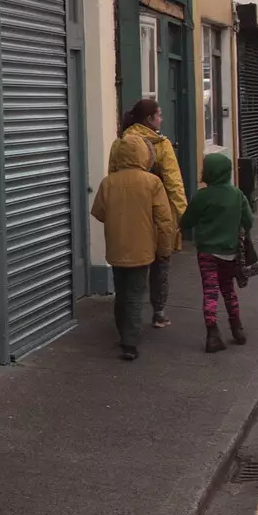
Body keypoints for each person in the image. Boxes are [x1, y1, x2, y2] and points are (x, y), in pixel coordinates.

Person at [92, 133, 178, 361]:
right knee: (135, 294)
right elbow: (164, 220)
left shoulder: (108, 182)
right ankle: (130, 342)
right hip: (143, 247)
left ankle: (123, 331)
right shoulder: (152, 182)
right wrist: (165, 247)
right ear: (144, 154)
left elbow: (99, 212)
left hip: (116, 246)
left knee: (121, 292)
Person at [110, 98, 187, 328]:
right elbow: (174, 182)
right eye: (159, 115)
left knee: (132, 266)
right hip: (158, 212)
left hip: (129, 213)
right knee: (161, 263)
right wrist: (182, 213)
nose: (162, 119)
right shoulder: (161, 144)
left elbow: (113, 177)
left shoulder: (121, 142)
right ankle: (159, 312)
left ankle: (127, 315)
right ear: (149, 119)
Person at [180, 153, 255, 353]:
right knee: (228, 290)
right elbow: (249, 221)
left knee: (210, 291)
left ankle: (213, 334)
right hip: (229, 252)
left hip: (207, 253)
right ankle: (237, 329)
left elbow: (187, 222)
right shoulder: (237, 195)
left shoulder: (202, 196)